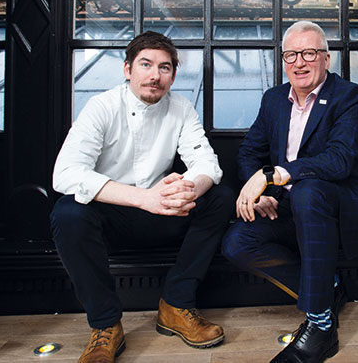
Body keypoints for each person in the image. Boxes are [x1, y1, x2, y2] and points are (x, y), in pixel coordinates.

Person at [51, 31, 236, 363]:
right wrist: (141, 198)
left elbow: (207, 163)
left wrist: (188, 188)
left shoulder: (181, 108)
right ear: (127, 69)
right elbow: (65, 173)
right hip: (112, 219)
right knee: (68, 212)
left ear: (173, 76)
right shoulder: (101, 107)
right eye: (146, 65)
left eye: (165, 68)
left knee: (219, 197)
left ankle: (176, 304)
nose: (155, 76)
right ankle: (106, 325)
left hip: (163, 214)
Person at [221, 21, 358, 363]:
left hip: (334, 211)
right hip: (287, 208)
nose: (299, 63)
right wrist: (260, 193)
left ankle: (321, 326)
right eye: (290, 55)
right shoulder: (274, 99)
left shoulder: (350, 96)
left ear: (326, 59)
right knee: (237, 243)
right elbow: (248, 152)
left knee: (307, 190)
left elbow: (339, 160)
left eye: (309, 53)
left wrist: (275, 174)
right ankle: (330, 289)